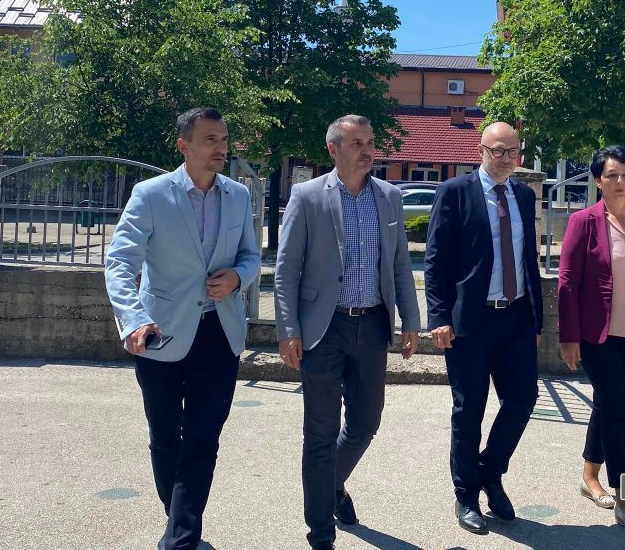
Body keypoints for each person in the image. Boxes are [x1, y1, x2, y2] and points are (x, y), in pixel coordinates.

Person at [105, 107, 261, 550]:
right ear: (184, 146)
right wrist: (134, 319)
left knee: (204, 437)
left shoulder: (238, 196)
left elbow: (251, 256)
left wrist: (238, 278)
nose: (220, 148)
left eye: (224, 139)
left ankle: (181, 538)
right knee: (165, 436)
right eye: (210, 139)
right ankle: (178, 520)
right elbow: (120, 263)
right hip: (161, 332)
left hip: (219, 333)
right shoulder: (151, 194)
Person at [274, 114, 420, 550]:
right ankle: (321, 531)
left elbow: (399, 265)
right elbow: (286, 269)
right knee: (320, 433)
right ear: (333, 150)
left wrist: (411, 321)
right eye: (357, 143)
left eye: (370, 142)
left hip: (372, 325)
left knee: (366, 423)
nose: (367, 150)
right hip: (324, 328)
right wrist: (287, 328)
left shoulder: (389, 197)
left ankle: (331, 485)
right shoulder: (307, 196)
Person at [425, 121, 542, 536]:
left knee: (523, 399)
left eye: (513, 151)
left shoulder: (524, 195)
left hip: (516, 317)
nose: (506, 158)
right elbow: (436, 261)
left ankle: (490, 471)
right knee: (469, 410)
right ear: (481, 151)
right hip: (470, 323)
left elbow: (528, 259)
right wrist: (438, 317)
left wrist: (537, 319)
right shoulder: (454, 192)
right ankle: (466, 494)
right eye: (498, 150)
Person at [557, 144, 625, 533]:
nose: (619, 181)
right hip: (596, 334)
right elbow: (567, 283)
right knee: (618, 405)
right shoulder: (583, 222)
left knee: (607, 402)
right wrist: (569, 337)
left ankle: (589, 477)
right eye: (611, 175)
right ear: (597, 181)